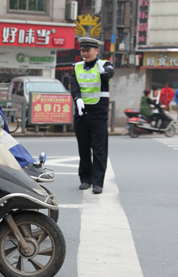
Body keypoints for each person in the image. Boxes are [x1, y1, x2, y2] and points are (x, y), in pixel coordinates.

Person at [71, 37, 114, 194]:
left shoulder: (105, 65)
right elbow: (74, 86)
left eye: (88, 50)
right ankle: (85, 179)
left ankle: (97, 182)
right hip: (82, 113)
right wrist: (77, 99)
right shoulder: (77, 67)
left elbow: (109, 74)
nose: (85, 53)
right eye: (83, 50)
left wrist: (103, 73)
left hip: (98, 113)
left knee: (99, 149)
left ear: (96, 51)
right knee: (83, 148)